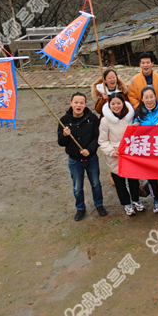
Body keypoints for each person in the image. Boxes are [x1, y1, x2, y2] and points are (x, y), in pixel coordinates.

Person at [58, 92, 105, 221]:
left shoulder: (92, 118)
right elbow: (61, 143)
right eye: (76, 102)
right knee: (77, 187)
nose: (78, 105)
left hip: (91, 158)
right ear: (71, 103)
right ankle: (80, 208)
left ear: (85, 104)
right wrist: (65, 135)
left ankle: (99, 205)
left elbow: (97, 138)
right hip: (74, 160)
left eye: (81, 103)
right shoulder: (64, 121)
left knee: (95, 183)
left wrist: (89, 150)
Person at [98, 93, 142, 216]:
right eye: (113, 104)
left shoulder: (130, 117)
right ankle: (126, 203)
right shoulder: (105, 120)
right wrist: (111, 152)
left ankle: (136, 200)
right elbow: (102, 140)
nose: (116, 106)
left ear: (123, 103)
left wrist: (137, 127)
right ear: (109, 105)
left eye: (119, 103)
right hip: (115, 155)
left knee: (133, 180)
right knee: (119, 182)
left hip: (130, 154)